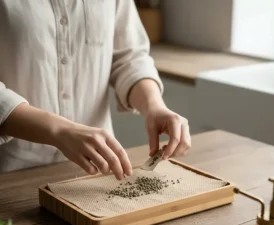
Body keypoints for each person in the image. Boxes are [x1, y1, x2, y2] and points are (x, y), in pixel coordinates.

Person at [0, 0, 191, 180]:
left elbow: (128, 57)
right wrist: (59, 131)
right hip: (12, 173)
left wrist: (154, 106)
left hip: (98, 170)